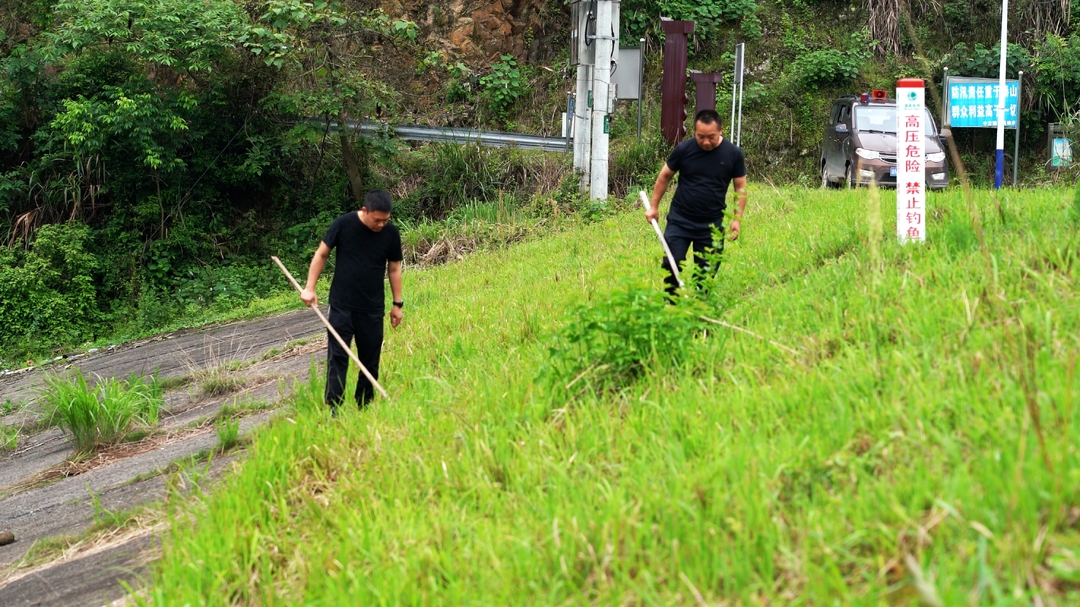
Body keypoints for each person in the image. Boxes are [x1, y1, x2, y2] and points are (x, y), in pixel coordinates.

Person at [300, 190, 404, 413]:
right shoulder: (343, 224)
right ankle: (334, 407)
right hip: (342, 306)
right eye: (377, 220)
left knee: (370, 359)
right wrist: (310, 288)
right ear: (364, 211)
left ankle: (364, 405)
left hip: (372, 308)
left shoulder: (391, 234)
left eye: (386, 220)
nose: (381, 225)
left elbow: (394, 268)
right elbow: (321, 254)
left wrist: (398, 304)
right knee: (338, 356)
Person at [645, 109, 748, 296]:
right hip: (680, 220)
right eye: (701, 137)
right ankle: (672, 303)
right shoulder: (684, 150)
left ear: (721, 131)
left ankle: (699, 308)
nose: (706, 142)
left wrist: (736, 219)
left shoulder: (733, 154)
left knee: (707, 272)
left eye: (711, 137)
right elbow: (664, 176)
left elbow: (740, 187)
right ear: (694, 132)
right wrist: (654, 206)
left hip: (712, 224)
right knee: (671, 263)